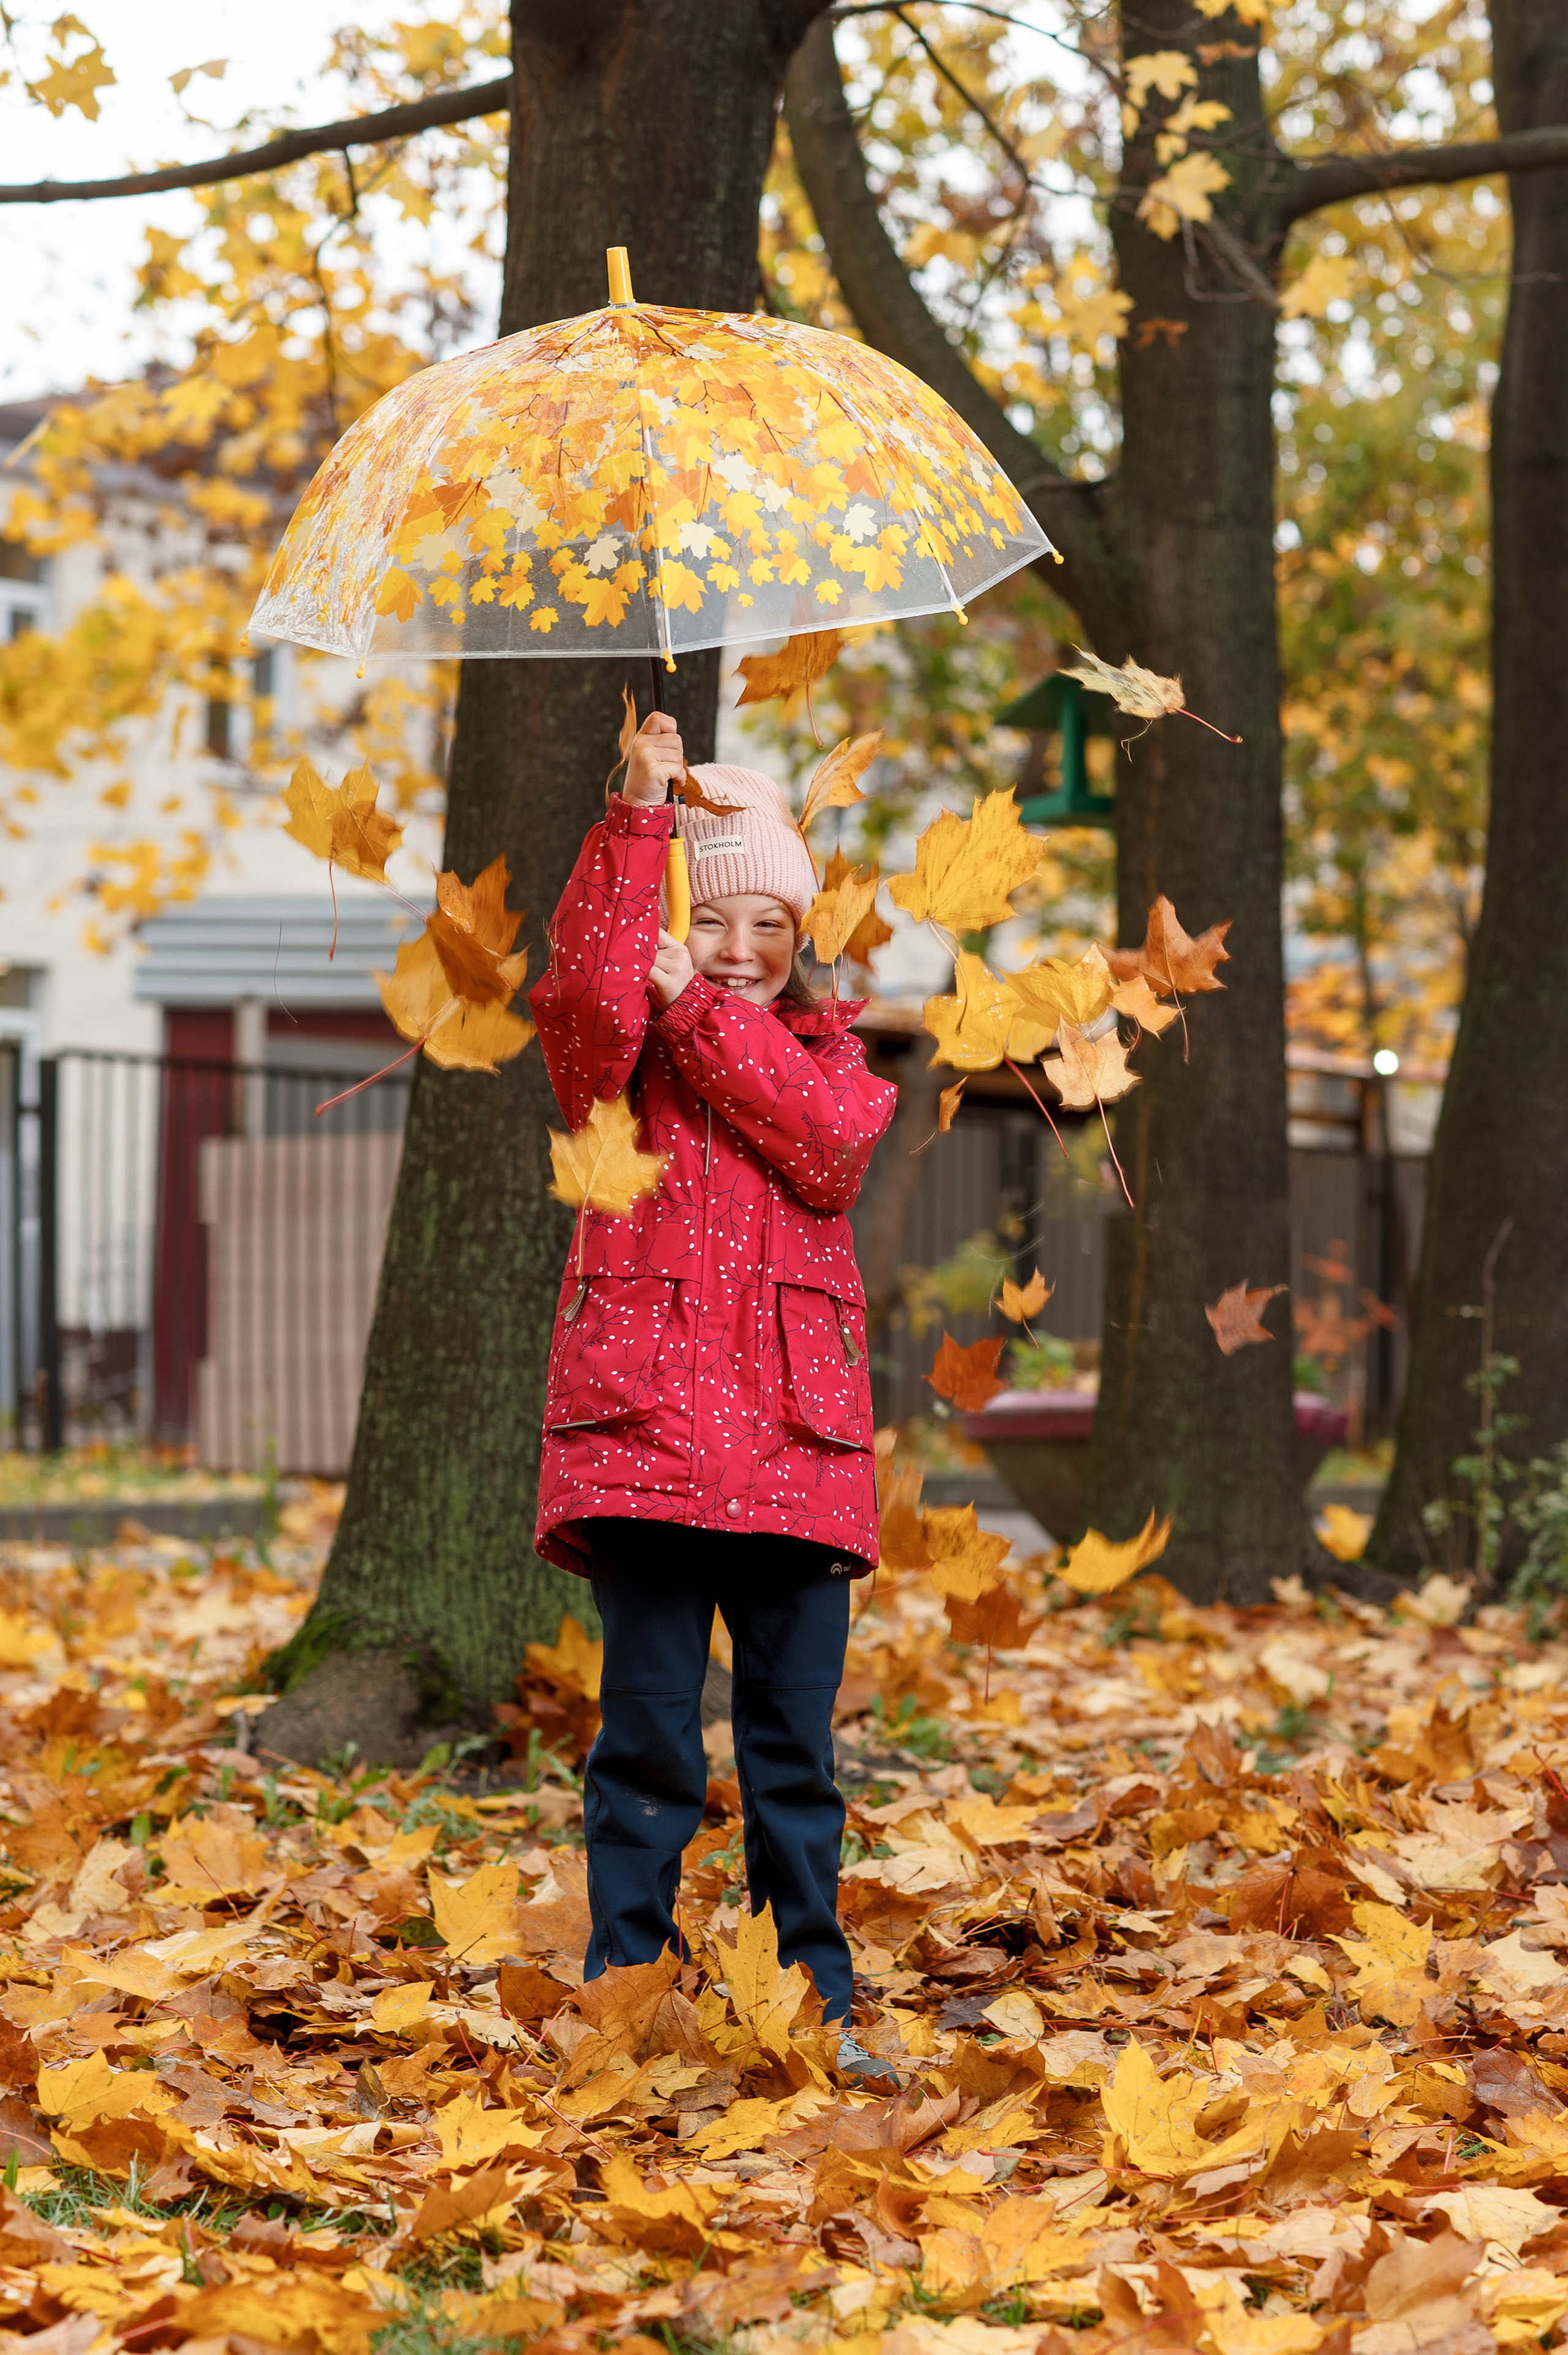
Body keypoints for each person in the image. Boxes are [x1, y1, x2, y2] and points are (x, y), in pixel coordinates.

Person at [529, 705, 899, 2084]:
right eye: (716, 919)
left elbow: (823, 1152)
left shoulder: (836, 1063)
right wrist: (635, 820)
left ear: (802, 943)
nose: (743, 948)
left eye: (770, 927)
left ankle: (813, 1995)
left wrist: (694, 1002)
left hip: (797, 1454)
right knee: (644, 1743)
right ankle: (625, 1988)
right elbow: (580, 1003)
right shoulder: (620, 1070)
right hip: (649, 1444)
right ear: (680, 909)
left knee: (792, 1753)